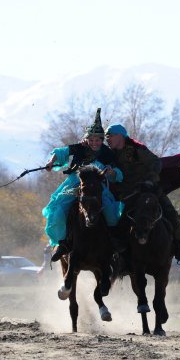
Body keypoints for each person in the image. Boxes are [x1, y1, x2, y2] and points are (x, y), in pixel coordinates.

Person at [104, 123, 180, 269]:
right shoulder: (110, 153)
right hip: (128, 194)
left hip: (150, 189)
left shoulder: (137, 149)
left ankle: (179, 250)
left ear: (120, 136)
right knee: (119, 223)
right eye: (107, 137)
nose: (107, 139)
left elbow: (156, 163)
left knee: (172, 215)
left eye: (110, 136)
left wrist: (150, 180)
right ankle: (120, 257)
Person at [42, 108, 123, 262]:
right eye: (91, 140)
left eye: (97, 140)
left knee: (112, 215)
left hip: (99, 188)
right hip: (73, 185)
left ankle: (113, 244)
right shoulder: (79, 148)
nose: (94, 143)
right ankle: (63, 244)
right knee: (58, 212)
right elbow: (60, 152)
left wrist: (111, 172)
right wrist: (51, 162)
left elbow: (117, 171)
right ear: (87, 139)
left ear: (102, 140)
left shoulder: (107, 153)